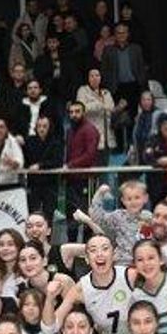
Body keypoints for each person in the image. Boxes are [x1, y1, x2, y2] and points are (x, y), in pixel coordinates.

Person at [64, 101, 101, 241]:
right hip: (72, 178)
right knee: (72, 215)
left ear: (84, 113)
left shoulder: (90, 130)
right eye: (71, 112)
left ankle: (89, 245)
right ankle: (71, 246)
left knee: (87, 214)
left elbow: (90, 155)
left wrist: (70, 165)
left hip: (86, 179)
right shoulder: (70, 130)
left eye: (77, 111)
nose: (74, 114)